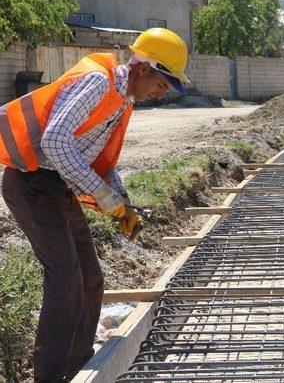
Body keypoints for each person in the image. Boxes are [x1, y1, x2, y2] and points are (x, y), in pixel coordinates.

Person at [0, 27, 189, 382]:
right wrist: (106, 199)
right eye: (161, 85)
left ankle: (79, 369)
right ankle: (51, 377)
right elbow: (56, 143)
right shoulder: (99, 83)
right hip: (30, 184)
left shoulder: (121, 102)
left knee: (90, 279)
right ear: (144, 69)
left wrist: (124, 203)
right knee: (66, 278)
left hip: (55, 188)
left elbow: (100, 163)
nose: (159, 95)